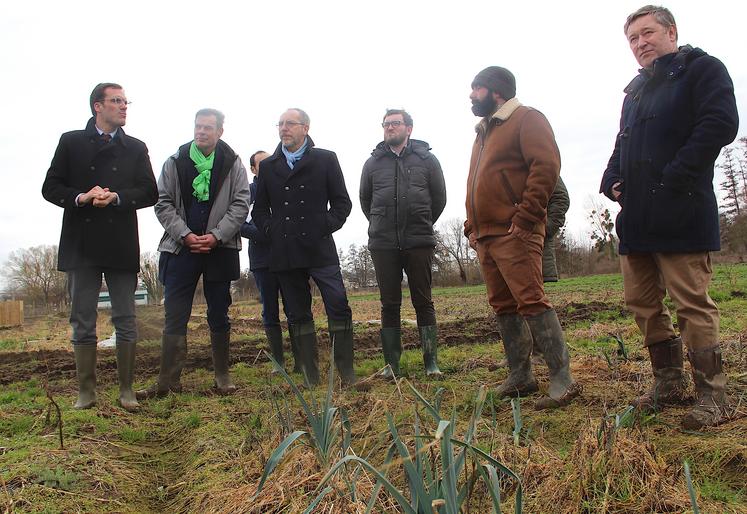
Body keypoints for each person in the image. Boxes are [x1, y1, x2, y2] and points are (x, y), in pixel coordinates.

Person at [600, 5, 738, 429]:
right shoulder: (635, 92)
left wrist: (675, 176)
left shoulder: (703, 70)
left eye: (647, 33)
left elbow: (720, 124)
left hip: (682, 209)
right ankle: (669, 382)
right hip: (638, 219)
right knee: (641, 302)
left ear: (671, 32)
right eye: (633, 39)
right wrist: (611, 179)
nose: (640, 43)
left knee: (691, 303)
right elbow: (623, 144)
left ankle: (713, 396)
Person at [465, 66, 580, 410]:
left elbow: (546, 166)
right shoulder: (484, 130)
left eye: (476, 89)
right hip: (486, 235)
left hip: (515, 232)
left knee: (531, 300)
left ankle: (563, 379)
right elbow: (476, 182)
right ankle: (521, 376)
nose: (471, 95)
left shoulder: (527, 119)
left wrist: (528, 215)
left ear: (496, 90)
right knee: (503, 306)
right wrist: (472, 226)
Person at [42, 82, 158, 411]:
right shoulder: (71, 142)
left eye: (125, 101)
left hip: (120, 241)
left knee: (126, 317)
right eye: (116, 101)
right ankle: (86, 392)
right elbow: (50, 187)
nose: (124, 107)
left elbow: (150, 192)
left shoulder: (136, 147)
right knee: (82, 318)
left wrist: (118, 198)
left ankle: (126, 390)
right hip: (81, 242)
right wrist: (82, 197)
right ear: (97, 106)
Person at [137, 108, 250, 398]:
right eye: (198, 126)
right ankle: (168, 381)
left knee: (219, 312)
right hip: (179, 249)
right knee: (175, 313)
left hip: (220, 248)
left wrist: (216, 235)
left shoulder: (233, 163)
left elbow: (240, 203)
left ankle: (222, 376)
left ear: (220, 132)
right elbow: (162, 203)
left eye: (208, 128)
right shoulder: (175, 161)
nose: (201, 131)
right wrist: (185, 235)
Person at [252, 108, 356, 386]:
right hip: (285, 250)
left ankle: (346, 372)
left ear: (305, 128)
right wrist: (272, 230)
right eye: (281, 124)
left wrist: (323, 226)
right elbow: (259, 211)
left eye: (290, 124)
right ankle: (311, 376)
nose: (284, 128)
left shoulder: (325, 159)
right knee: (297, 312)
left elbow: (342, 204)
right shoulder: (270, 166)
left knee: (338, 304)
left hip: (320, 247)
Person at [360, 109, 447, 378]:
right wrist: (381, 223)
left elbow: (439, 198)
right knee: (389, 304)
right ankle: (392, 365)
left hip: (418, 240)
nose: (389, 128)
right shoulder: (372, 164)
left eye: (395, 124)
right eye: (386, 124)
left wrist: (420, 221)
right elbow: (366, 201)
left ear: (409, 128)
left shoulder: (427, 160)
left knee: (423, 301)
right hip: (383, 243)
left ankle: (431, 362)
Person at [240, 150, 299, 372]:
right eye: (262, 164)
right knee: (270, 310)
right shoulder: (248, 193)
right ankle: (278, 362)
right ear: (253, 169)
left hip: (289, 257)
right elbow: (241, 225)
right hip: (263, 259)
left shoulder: (286, 186)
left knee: (294, 308)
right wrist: (269, 233)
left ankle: (300, 358)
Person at [543, 177, 569, 283]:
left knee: (533, 295)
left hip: (537, 244)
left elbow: (561, 198)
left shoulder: (541, 163)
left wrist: (545, 229)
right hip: (501, 246)